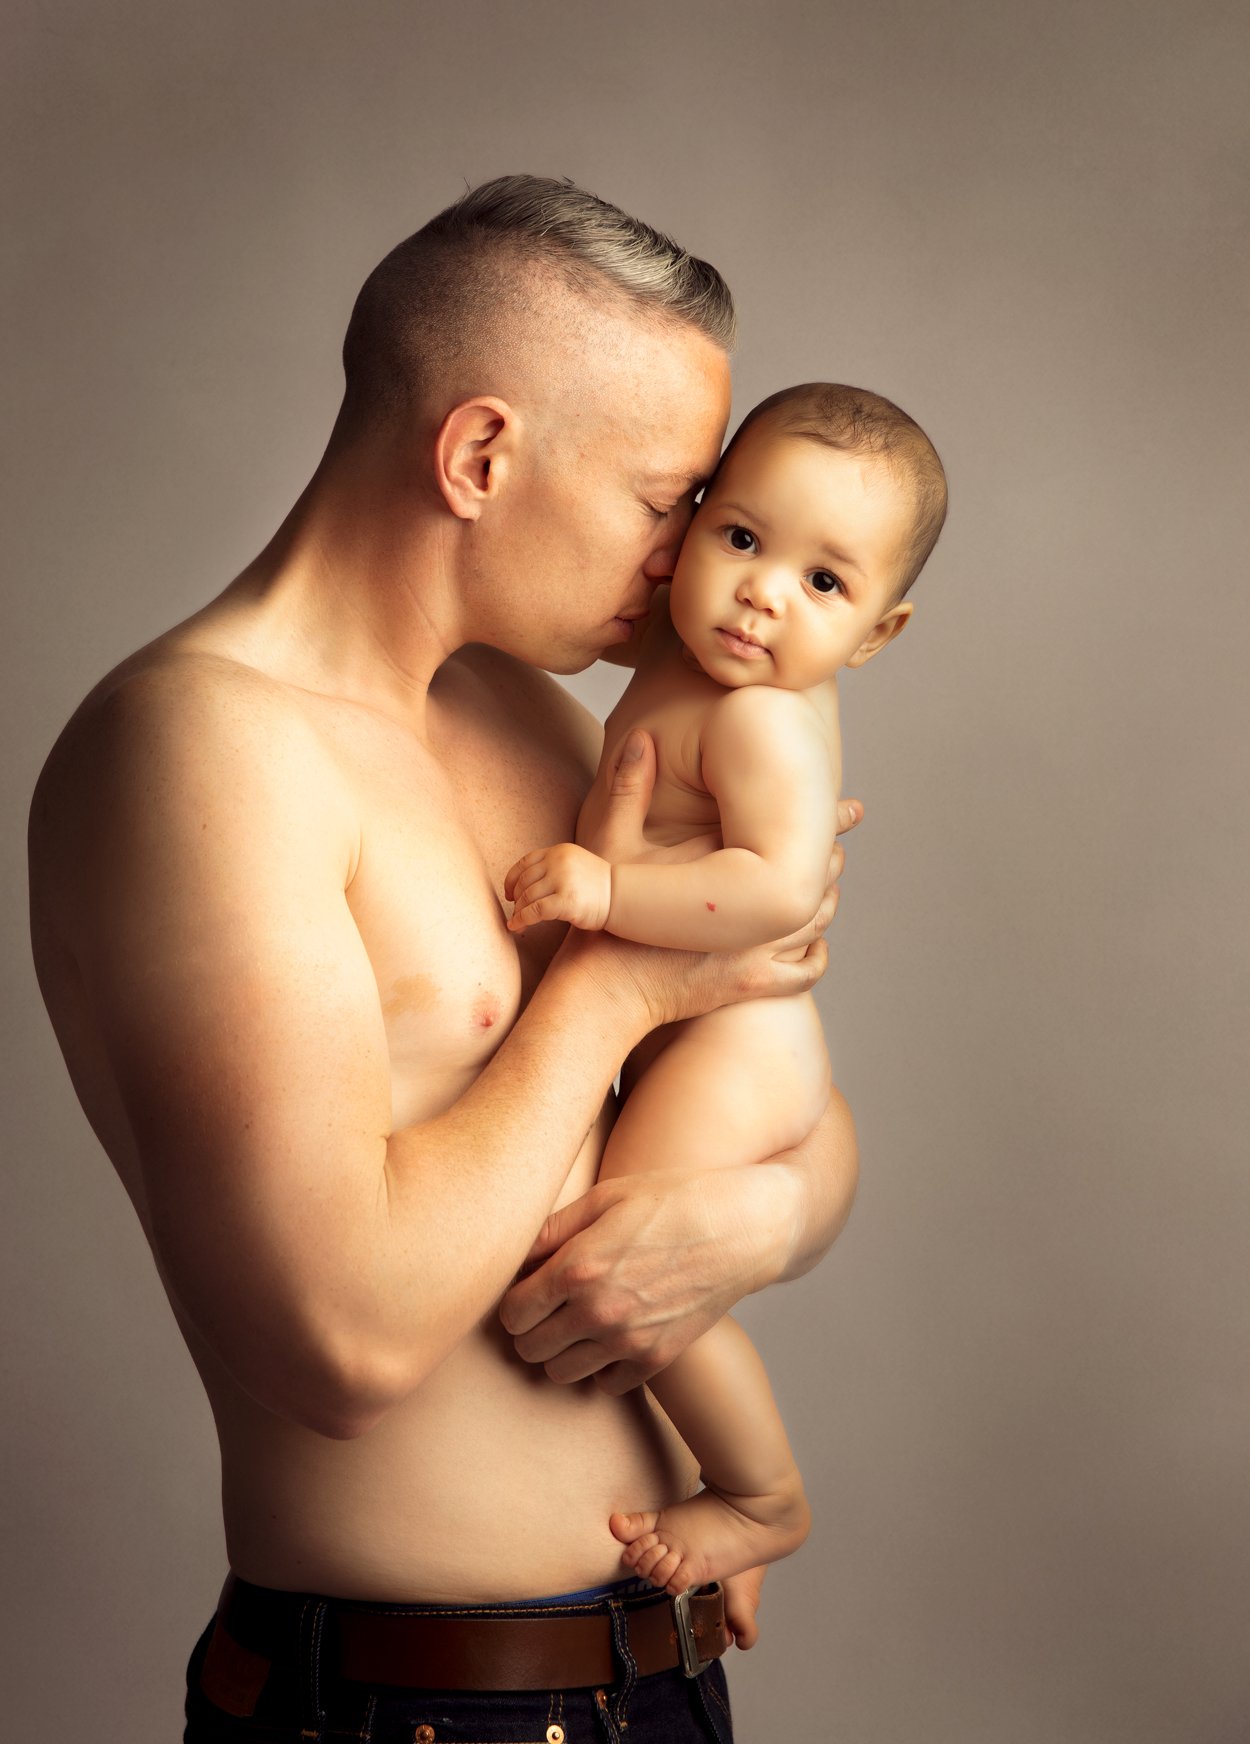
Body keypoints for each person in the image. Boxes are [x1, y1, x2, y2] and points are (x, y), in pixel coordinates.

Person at [27, 175, 863, 1743]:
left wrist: (755, 1221)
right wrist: (616, 988)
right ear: (480, 454)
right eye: (662, 497)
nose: (693, 557)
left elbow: (793, 1100)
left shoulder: (537, 723)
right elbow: (337, 1342)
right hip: (413, 1706)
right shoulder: (199, 748)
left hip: (667, 1669)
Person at [505, 382, 947, 1599]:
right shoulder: (687, 650)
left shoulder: (762, 723)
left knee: (635, 1245)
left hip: (736, 1041)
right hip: (697, 1029)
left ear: (874, 633)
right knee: (629, 1237)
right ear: (688, 529)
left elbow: (769, 891)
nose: (761, 593)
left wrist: (604, 891)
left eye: (823, 582)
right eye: (740, 539)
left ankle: (758, 1495)